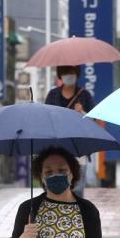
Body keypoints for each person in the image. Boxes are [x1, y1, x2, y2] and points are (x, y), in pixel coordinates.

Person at [45, 65, 98, 195]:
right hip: (57, 145)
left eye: (72, 73)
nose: (69, 76)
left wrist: (82, 112)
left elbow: (94, 120)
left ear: (77, 74)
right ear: (60, 76)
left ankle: (78, 211)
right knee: (57, 184)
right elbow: (45, 117)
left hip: (79, 145)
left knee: (78, 186)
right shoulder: (53, 95)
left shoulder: (84, 95)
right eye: (65, 73)